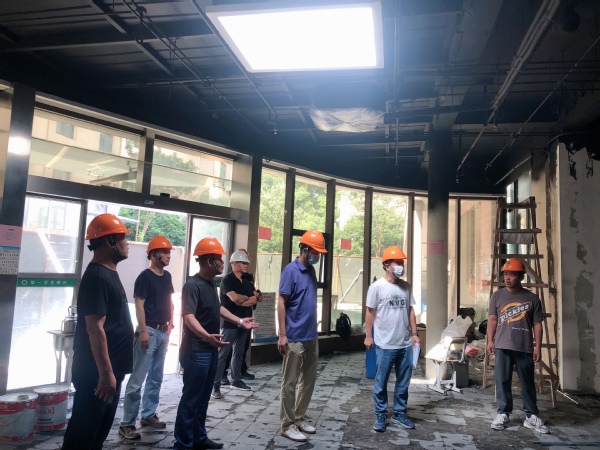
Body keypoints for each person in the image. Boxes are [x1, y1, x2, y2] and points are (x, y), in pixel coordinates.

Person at [173, 237, 259, 450]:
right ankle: (183, 444)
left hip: (209, 348)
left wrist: (240, 321)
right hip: (196, 350)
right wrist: (206, 336)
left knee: (203, 399)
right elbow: (188, 316)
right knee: (191, 399)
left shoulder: (211, 283)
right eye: (219, 259)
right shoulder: (192, 285)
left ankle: (199, 438)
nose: (222, 262)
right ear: (208, 260)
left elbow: (218, 308)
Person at [61, 214, 134, 450]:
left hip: (109, 372)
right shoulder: (97, 277)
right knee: (84, 432)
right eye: (123, 238)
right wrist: (105, 373)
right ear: (109, 241)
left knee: (98, 431)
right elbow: (94, 328)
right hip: (97, 375)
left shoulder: (108, 273)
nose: (127, 243)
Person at [119, 236, 175, 439]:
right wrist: (143, 331)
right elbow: (139, 304)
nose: (168, 255)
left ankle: (148, 414)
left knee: (156, 378)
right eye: (165, 252)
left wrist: (170, 325)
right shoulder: (145, 277)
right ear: (153, 254)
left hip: (163, 331)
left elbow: (169, 301)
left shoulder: (167, 276)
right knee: (137, 379)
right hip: (149, 330)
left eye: (169, 252)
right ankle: (127, 424)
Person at [487, 258, 549, 434]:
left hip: (524, 346)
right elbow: (492, 319)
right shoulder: (497, 296)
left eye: (512, 274)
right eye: (506, 274)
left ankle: (531, 415)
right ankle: (503, 413)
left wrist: (538, 347)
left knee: (527, 382)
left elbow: (537, 324)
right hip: (502, 345)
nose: (507, 278)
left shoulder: (532, 298)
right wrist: (490, 340)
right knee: (502, 380)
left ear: (521, 277)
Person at [277, 230, 327, 442]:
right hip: (294, 336)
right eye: (315, 252)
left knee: (308, 381)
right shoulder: (290, 271)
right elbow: (281, 302)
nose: (318, 256)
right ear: (304, 249)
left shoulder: (311, 271)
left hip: (311, 335)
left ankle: (299, 418)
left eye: (319, 253)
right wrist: (283, 335)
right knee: (290, 383)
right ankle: (287, 424)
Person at [364, 245, 420, 433]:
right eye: (397, 262)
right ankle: (380, 414)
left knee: (403, 382)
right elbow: (370, 312)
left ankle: (399, 413)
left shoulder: (406, 287)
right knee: (381, 381)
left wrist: (414, 334)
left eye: (402, 263)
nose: (401, 266)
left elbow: (410, 310)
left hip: (404, 343)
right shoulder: (377, 287)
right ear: (387, 265)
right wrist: (368, 336)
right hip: (385, 344)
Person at [212, 250, 259, 399]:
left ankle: (236, 380)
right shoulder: (227, 280)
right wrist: (246, 298)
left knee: (239, 352)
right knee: (223, 354)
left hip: (245, 322)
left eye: (246, 263)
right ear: (234, 264)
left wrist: (243, 299)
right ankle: (215, 385)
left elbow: (254, 299)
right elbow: (235, 299)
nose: (246, 265)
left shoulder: (245, 282)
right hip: (230, 323)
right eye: (243, 263)